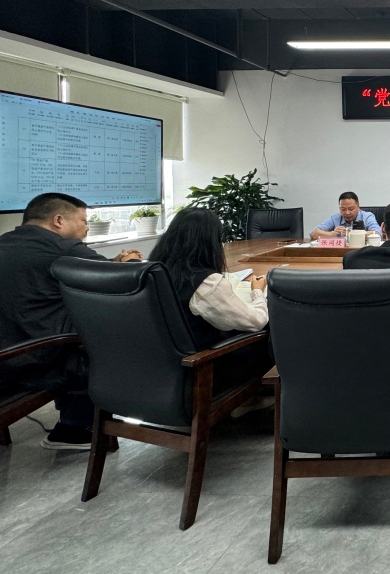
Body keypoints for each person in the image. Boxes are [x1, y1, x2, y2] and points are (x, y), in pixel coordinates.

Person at [0, 193, 142, 450]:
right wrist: (131, 262)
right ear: (58, 220)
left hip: (7, 358)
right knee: (112, 337)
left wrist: (113, 262)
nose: (87, 228)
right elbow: (118, 280)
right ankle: (75, 426)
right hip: (35, 360)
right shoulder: (62, 247)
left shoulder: (6, 242)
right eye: (83, 221)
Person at [149, 208, 273, 417]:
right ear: (209, 242)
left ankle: (252, 398)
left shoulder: (154, 272)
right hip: (205, 368)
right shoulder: (204, 282)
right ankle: (250, 399)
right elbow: (256, 321)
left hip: (162, 367)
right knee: (272, 327)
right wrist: (257, 292)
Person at [310, 191, 382, 239]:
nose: (347, 213)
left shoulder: (367, 216)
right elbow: (314, 234)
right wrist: (333, 234)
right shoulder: (335, 218)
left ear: (358, 206)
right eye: (343, 209)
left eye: (351, 209)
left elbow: (378, 233)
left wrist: (352, 234)